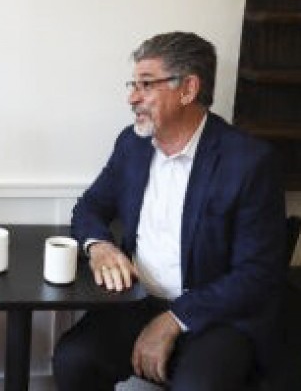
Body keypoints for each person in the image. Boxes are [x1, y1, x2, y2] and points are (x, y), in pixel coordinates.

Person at [53, 31, 286, 391]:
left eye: (146, 85)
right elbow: (90, 207)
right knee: (73, 358)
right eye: (133, 84)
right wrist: (98, 245)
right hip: (138, 301)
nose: (132, 97)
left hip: (215, 316)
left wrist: (175, 318)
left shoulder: (249, 162)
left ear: (188, 90)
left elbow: (258, 273)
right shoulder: (132, 144)